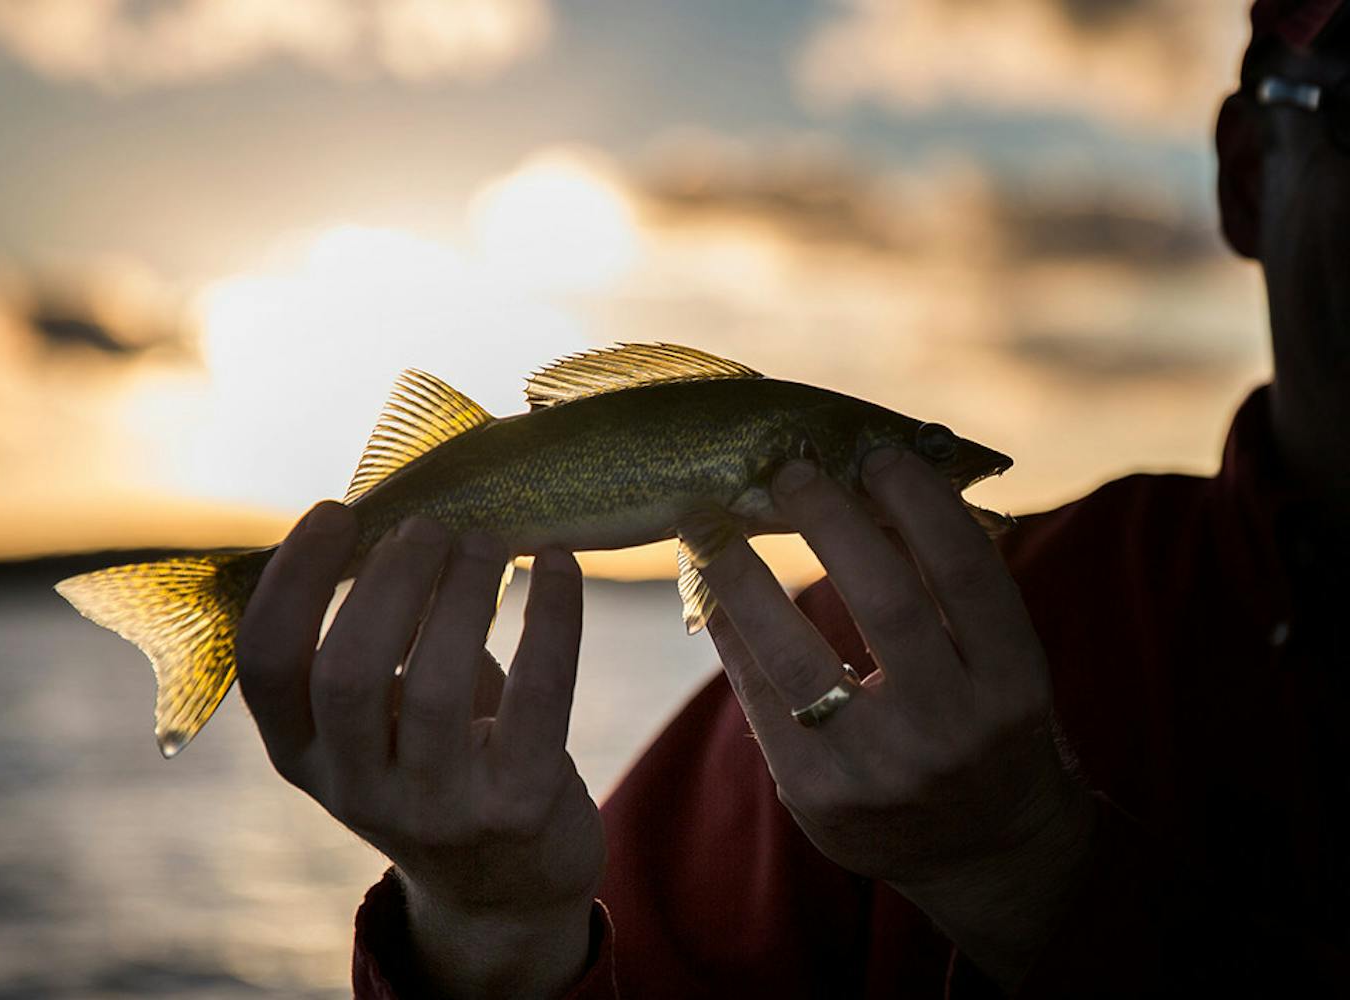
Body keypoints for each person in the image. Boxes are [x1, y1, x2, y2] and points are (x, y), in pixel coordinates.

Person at [233, 2, 1350, 995]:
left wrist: (1026, 867)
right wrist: (489, 935)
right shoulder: (873, 663)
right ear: (1250, 173)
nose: (941, 460)